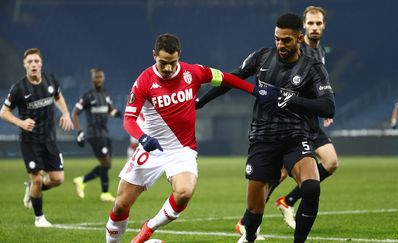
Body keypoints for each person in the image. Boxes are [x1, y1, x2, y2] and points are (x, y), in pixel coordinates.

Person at [105, 33, 277, 243]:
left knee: (184, 192)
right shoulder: (144, 81)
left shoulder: (194, 72)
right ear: (153, 56)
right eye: (162, 63)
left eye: (172, 62)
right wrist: (142, 138)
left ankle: (148, 228)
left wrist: (253, 90)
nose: (167, 68)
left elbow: (225, 78)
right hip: (151, 148)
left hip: (181, 150)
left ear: (179, 56)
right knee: (121, 204)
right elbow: (128, 119)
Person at [198, 12, 335, 243]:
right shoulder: (261, 57)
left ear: (299, 39)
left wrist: (291, 99)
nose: (280, 44)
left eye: (286, 40)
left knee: (311, 188)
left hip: (295, 136)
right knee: (254, 210)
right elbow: (231, 78)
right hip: (263, 138)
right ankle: (250, 235)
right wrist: (201, 101)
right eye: (277, 39)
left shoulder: (313, 68)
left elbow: (328, 107)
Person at [273, 5, 339, 230]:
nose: (314, 27)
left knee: (330, 163)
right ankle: (247, 221)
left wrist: (325, 110)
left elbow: (319, 87)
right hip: (293, 122)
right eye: (310, 23)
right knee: (278, 173)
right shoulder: (298, 51)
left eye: (318, 23)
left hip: (310, 120)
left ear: (324, 26)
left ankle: (287, 201)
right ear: (303, 27)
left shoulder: (319, 52)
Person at [0, 48, 73, 227]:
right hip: (30, 141)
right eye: (30, 62)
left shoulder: (51, 80)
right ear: (24, 65)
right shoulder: (19, 88)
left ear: (41, 63)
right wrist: (21, 123)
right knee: (37, 178)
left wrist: (65, 113)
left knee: (58, 179)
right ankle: (39, 218)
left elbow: (58, 96)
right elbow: (4, 112)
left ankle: (32, 189)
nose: (33, 64)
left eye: (36, 61)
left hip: (49, 138)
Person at [72, 68, 122, 202]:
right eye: (96, 77)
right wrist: (79, 131)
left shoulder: (105, 95)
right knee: (105, 163)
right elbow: (75, 113)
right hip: (94, 134)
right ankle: (98, 189)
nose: (98, 80)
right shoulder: (87, 95)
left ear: (103, 78)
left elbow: (110, 110)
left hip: (104, 132)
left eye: (100, 77)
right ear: (92, 79)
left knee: (107, 164)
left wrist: (118, 114)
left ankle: (89, 185)